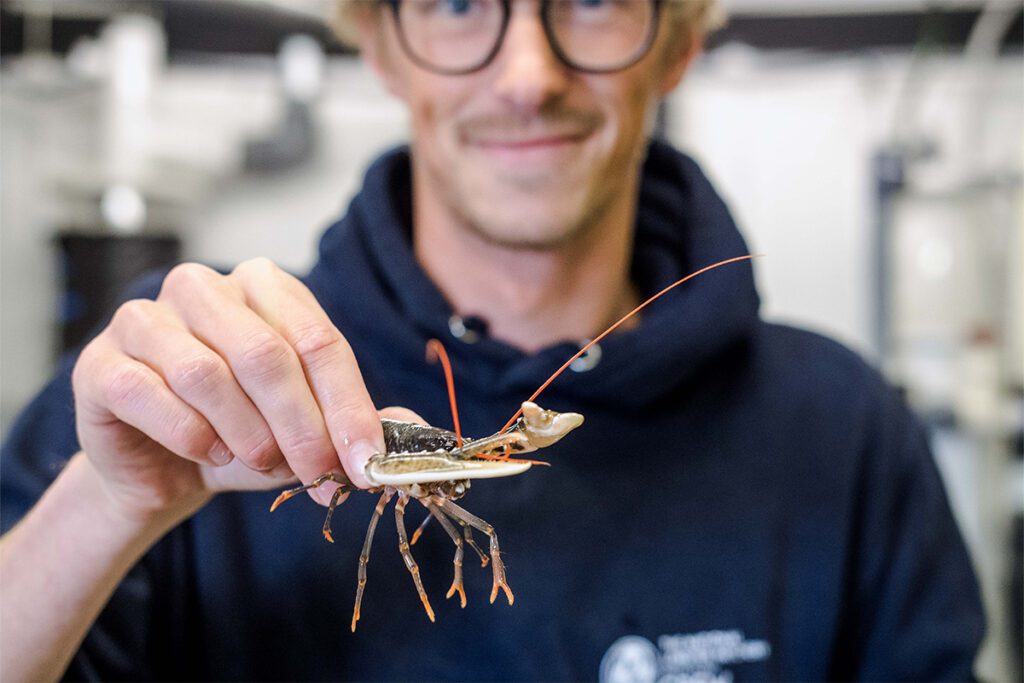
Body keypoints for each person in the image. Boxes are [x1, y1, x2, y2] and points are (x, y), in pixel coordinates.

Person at [0, 0, 984, 680]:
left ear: (675, 41)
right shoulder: (183, 392)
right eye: (461, 2)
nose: (527, 75)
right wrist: (106, 504)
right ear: (380, 42)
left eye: (593, 0)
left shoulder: (845, 429)